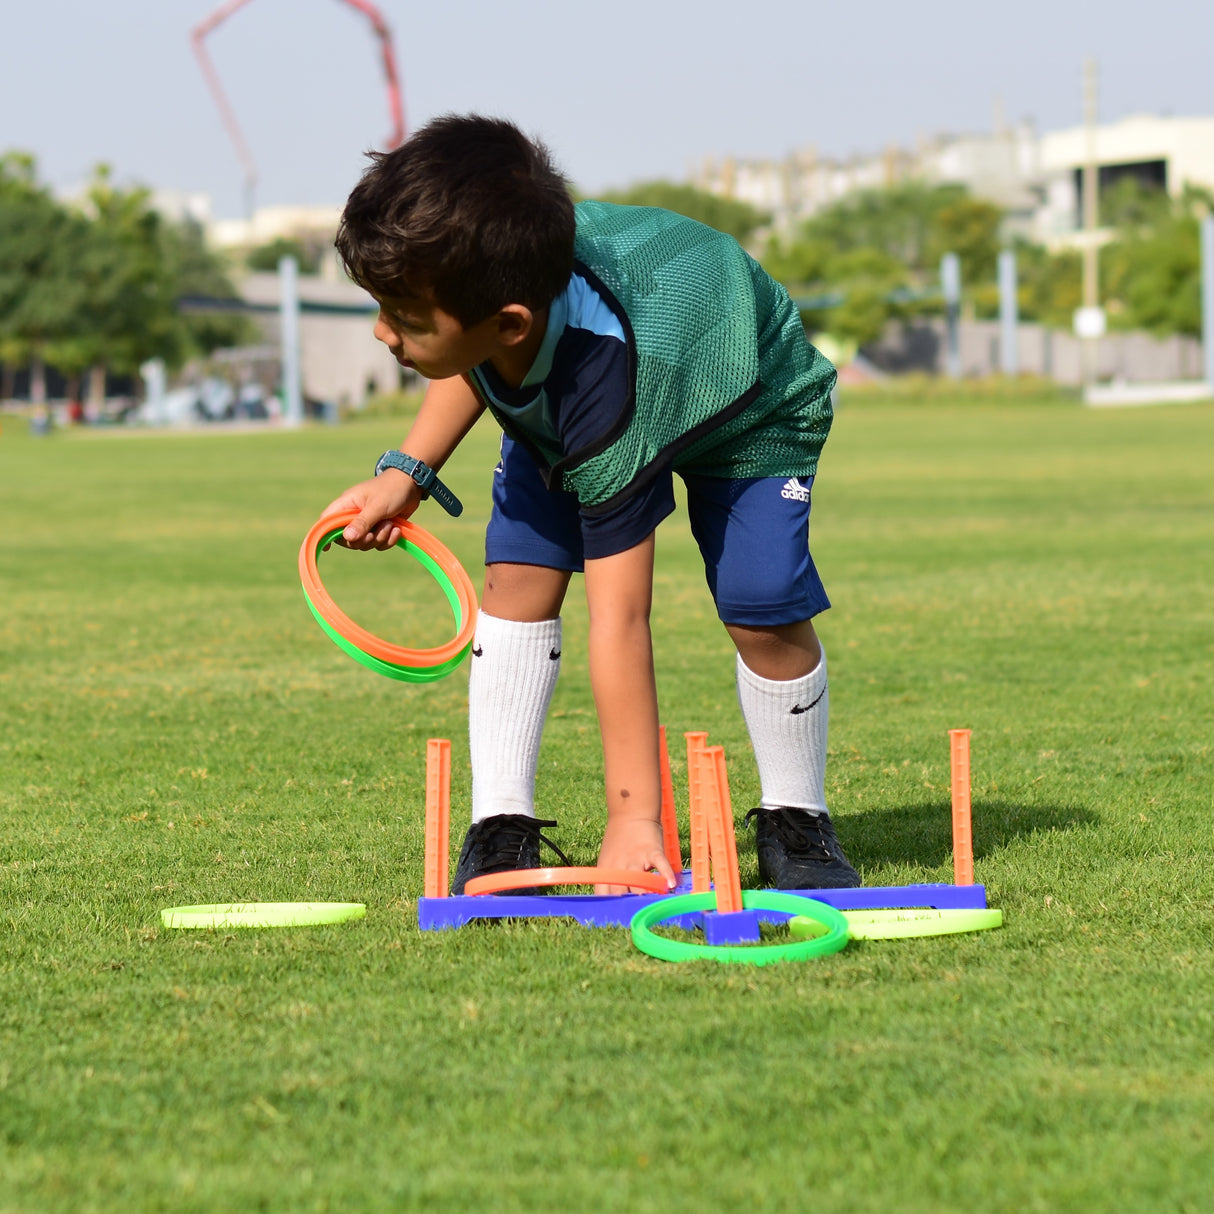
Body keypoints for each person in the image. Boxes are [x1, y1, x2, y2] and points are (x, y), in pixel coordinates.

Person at [322, 113, 860, 896]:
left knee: (761, 604)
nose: (381, 333)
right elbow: (471, 357)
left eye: (403, 319)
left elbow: (621, 618)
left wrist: (635, 820)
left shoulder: (601, 388)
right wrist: (407, 473)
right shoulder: (501, 287)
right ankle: (500, 824)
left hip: (748, 399)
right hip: (599, 382)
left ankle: (796, 814)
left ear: (510, 322)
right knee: (517, 579)